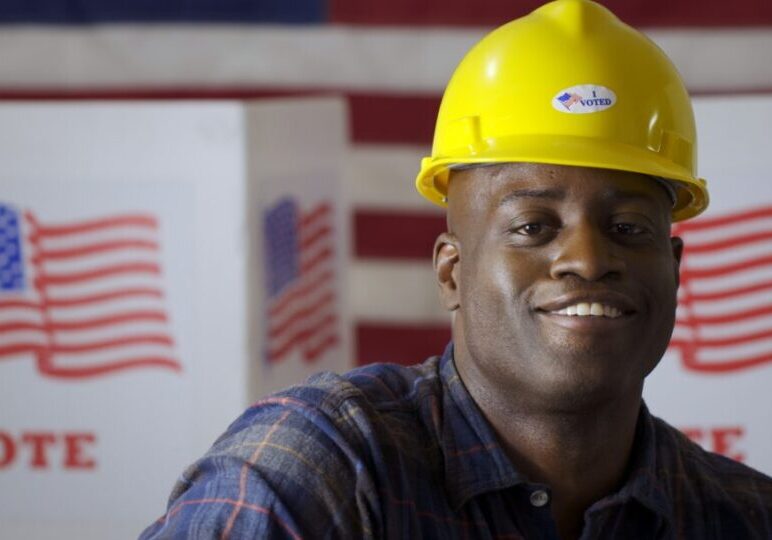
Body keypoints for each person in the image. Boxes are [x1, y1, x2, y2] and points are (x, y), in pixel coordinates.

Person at [141, 1, 772, 538]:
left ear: (675, 269)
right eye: (533, 227)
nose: (588, 259)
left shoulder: (740, 515)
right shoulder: (317, 472)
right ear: (451, 273)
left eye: (628, 228)